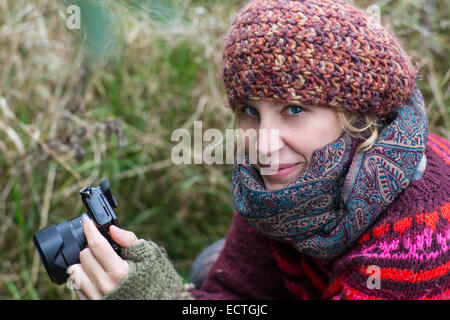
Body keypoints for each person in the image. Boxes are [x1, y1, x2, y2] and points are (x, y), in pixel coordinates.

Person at [67, 0, 450, 300]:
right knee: (209, 268)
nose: (264, 146)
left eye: (295, 110)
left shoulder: (412, 241)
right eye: (250, 111)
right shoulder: (281, 183)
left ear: (357, 115)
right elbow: (234, 296)